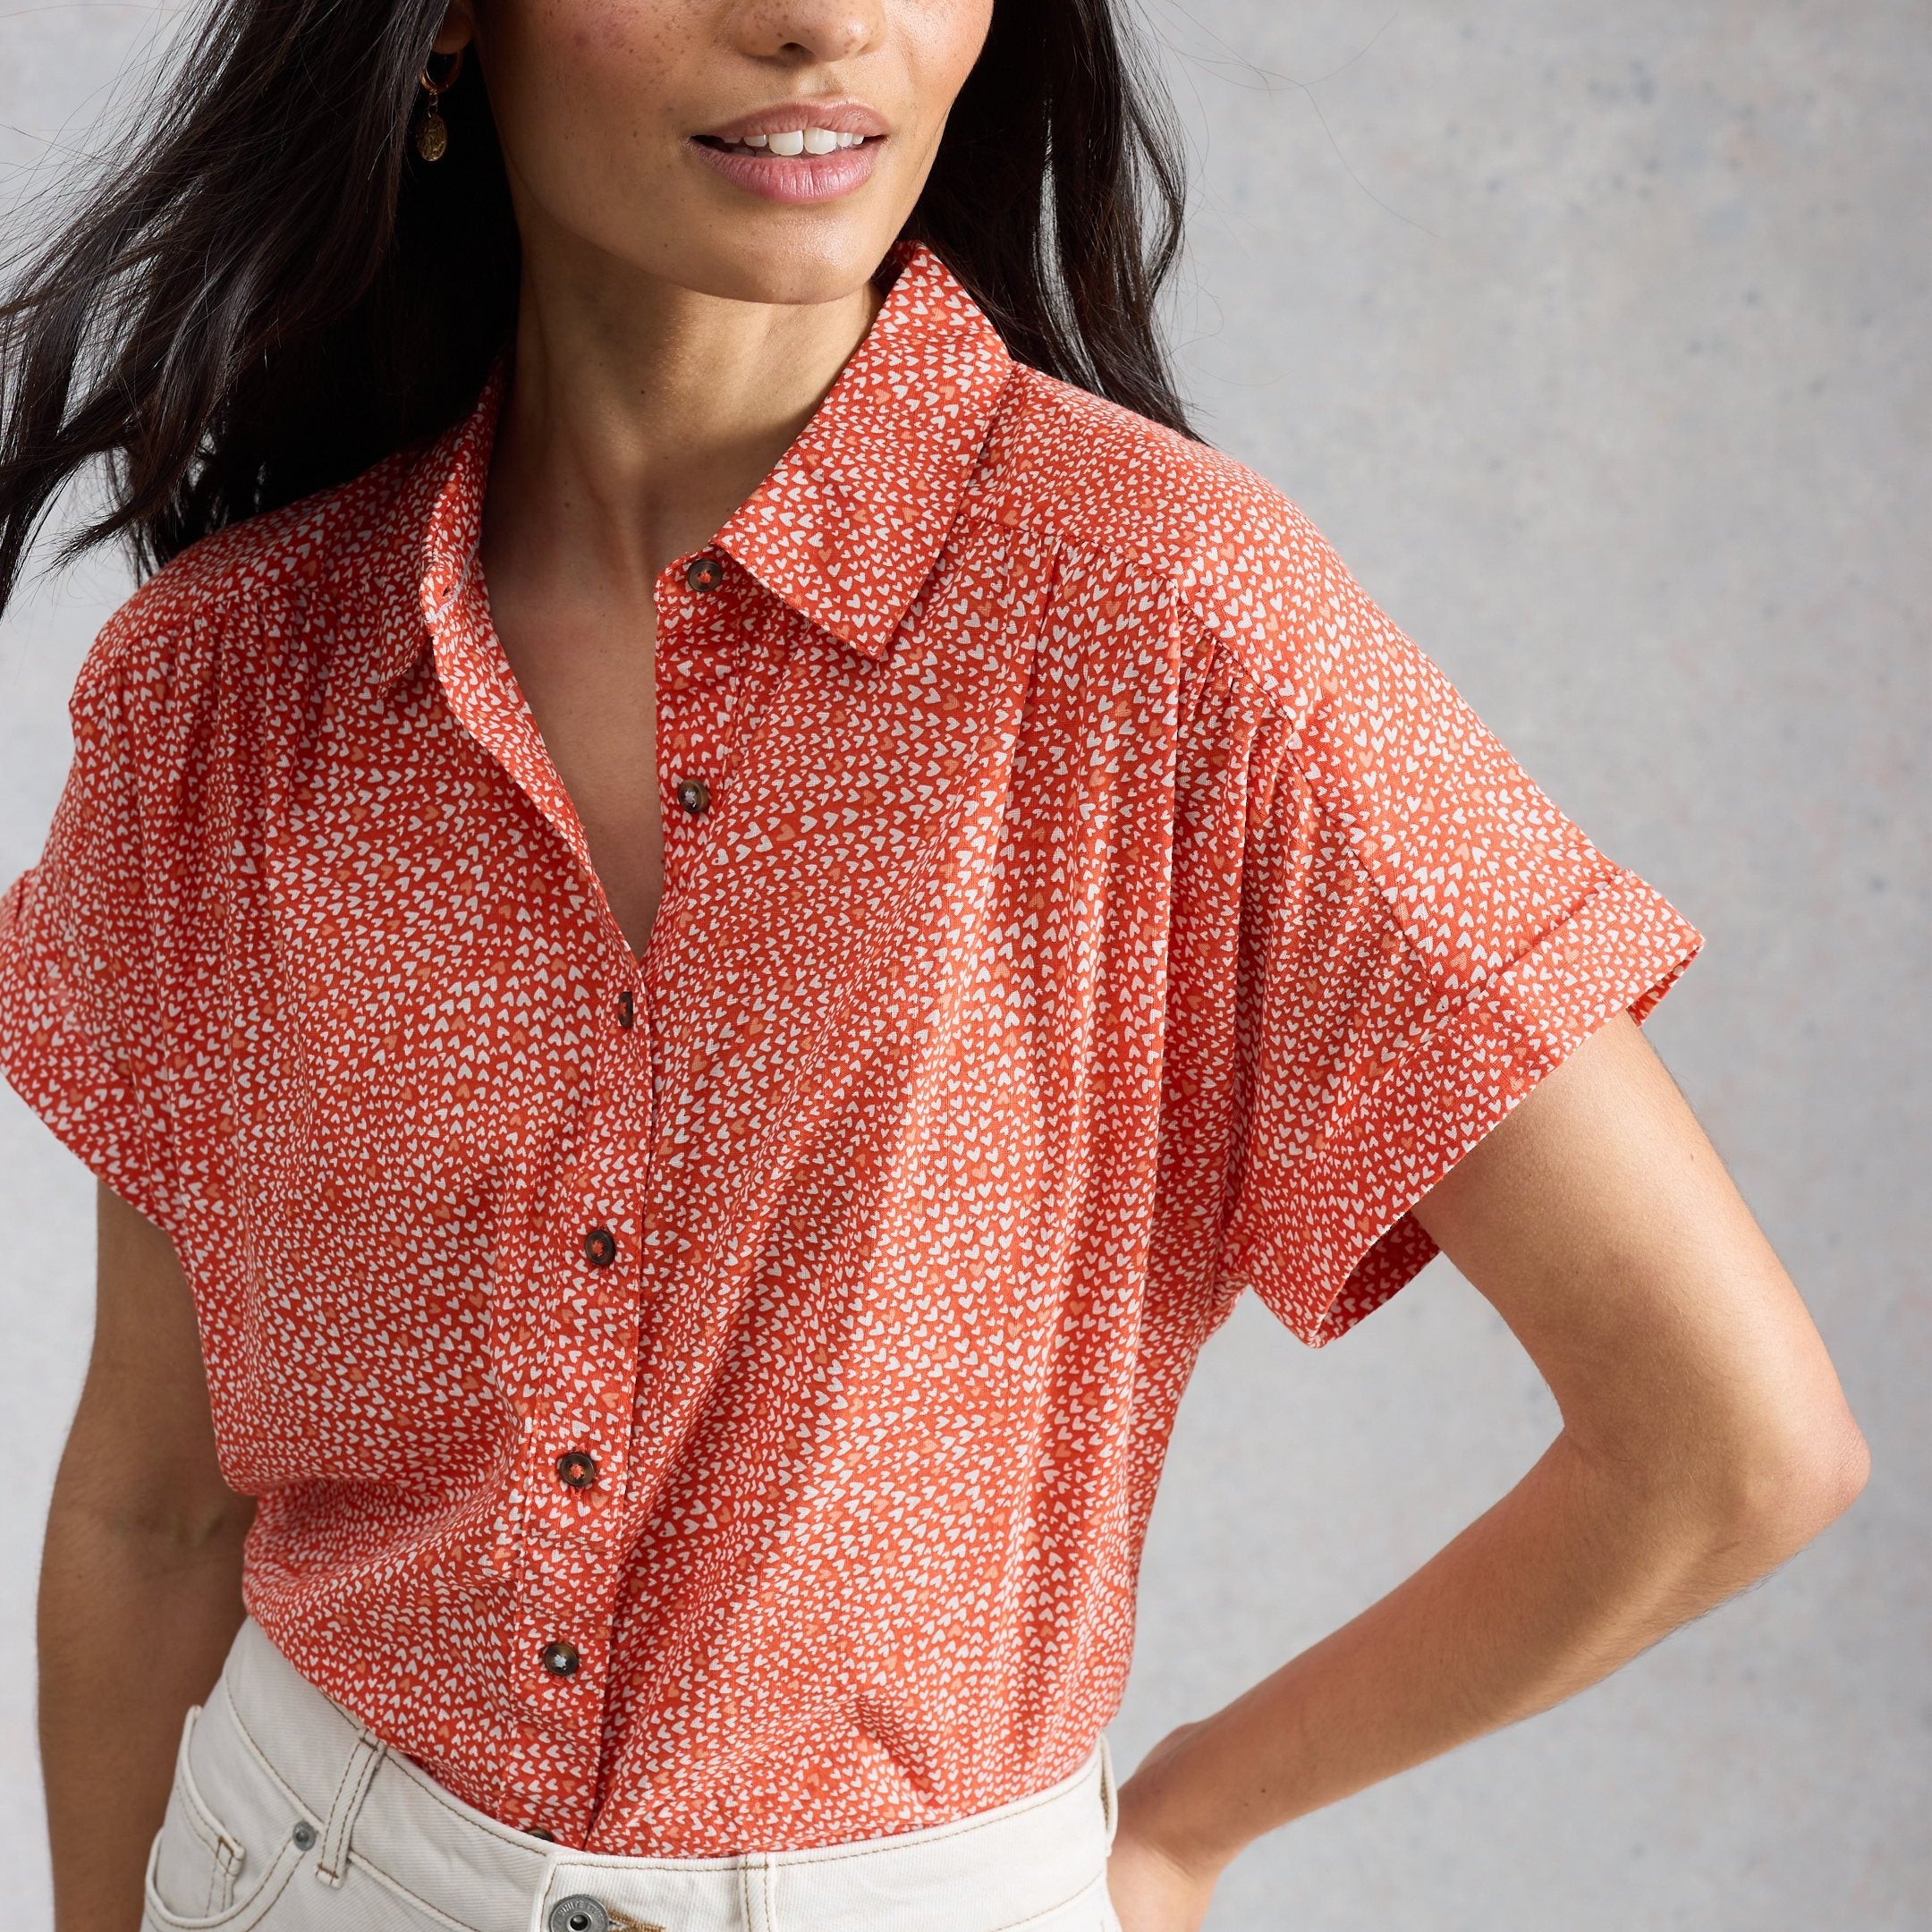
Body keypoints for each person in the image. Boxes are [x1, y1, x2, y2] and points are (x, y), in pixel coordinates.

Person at [0, 0, 1868, 1927]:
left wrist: (1183, 1824)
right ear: (452, 26)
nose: (822, 22)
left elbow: (1728, 1445)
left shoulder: (1175, 627)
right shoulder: (227, 689)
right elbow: (157, 1510)